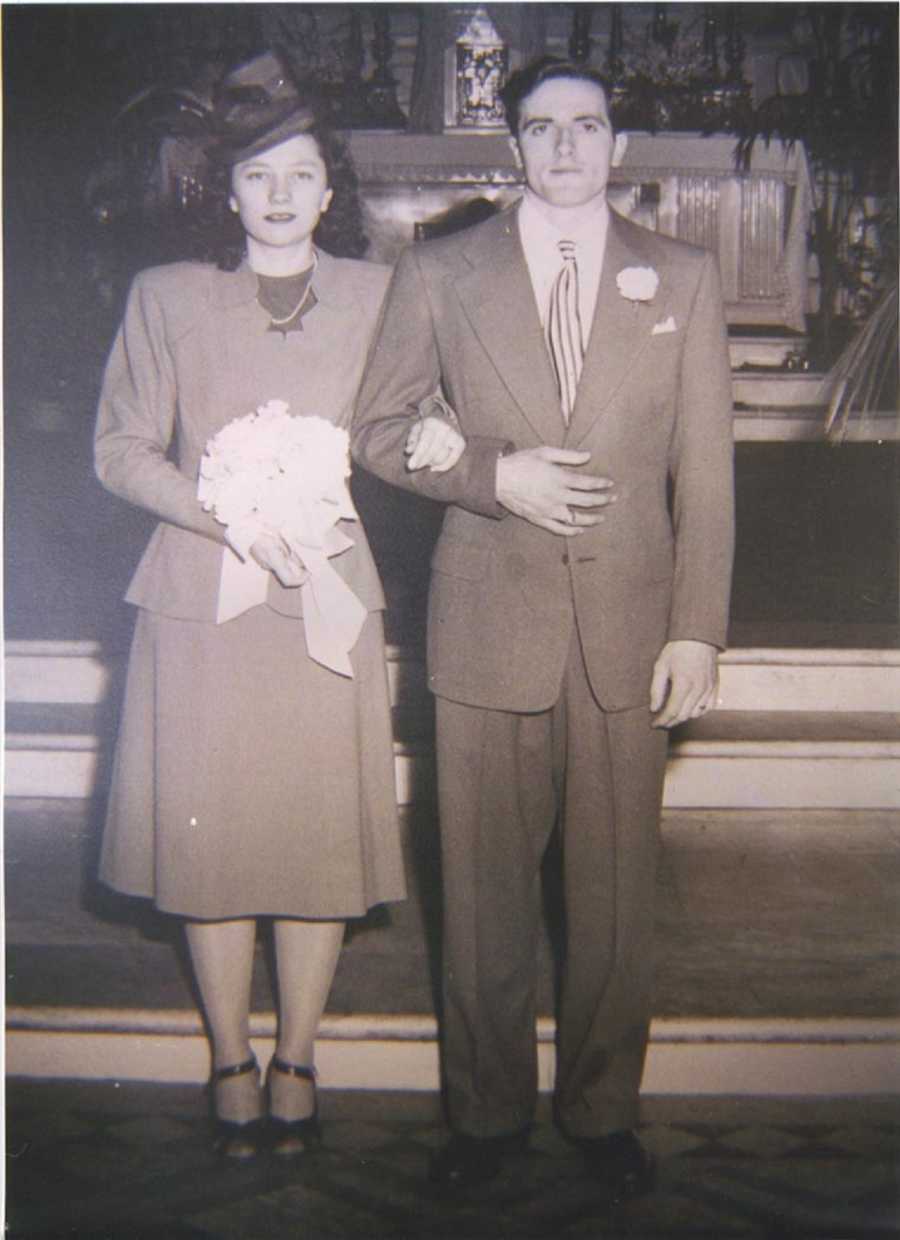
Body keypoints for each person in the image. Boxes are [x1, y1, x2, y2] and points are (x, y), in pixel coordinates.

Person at [352, 57, 735, 1197]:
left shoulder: (684, 275)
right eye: (540, 128)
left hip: (628, 626)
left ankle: (604, 1106)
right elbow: (377, 430)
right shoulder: (440, 270)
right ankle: (483, 1115)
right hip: (487, 618)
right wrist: (489, 474)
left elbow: (705, 475)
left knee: (615, 900)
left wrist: (698, 631)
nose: (565, 146)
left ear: (618, 145)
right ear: (511, 148)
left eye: (587, 125)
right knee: (479, 894)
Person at [94, 90, 461, 1160]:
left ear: (331, 189)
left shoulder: (384, 293)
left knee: (312, 836)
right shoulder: (165, 296)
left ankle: (298, 1050)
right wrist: (230, 516)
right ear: (229, 189)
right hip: (204, 595)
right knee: (211, 839)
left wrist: (435, 434)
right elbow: (120, 449)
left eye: (301, 174)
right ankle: (225, 1051)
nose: (281, 195)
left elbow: (410, 416)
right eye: (258, 175)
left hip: (327, 598)